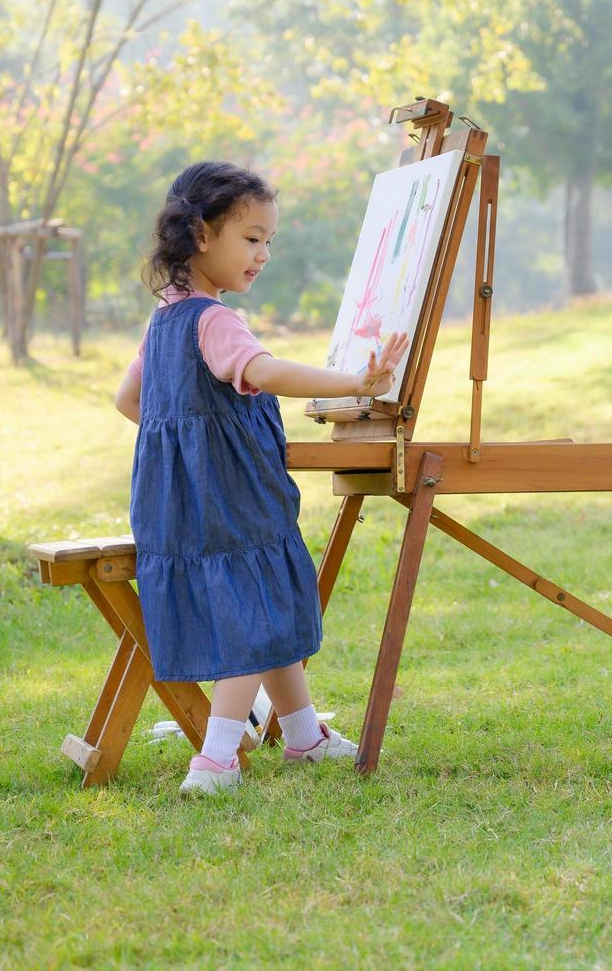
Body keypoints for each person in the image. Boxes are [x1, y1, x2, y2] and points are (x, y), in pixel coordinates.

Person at [114, 161, 407, 796]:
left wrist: (182, 440)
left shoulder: (161, 320)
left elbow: (128, 400)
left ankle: (301, 734)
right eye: (251, 238)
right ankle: (216, 758)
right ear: (200, 233)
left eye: (269, 240)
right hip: (234, 499)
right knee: (251, 614)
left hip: (179, 504)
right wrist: (356, 382)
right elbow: (266, 373)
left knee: (263, 604)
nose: (264, 253)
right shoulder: (215, 320)